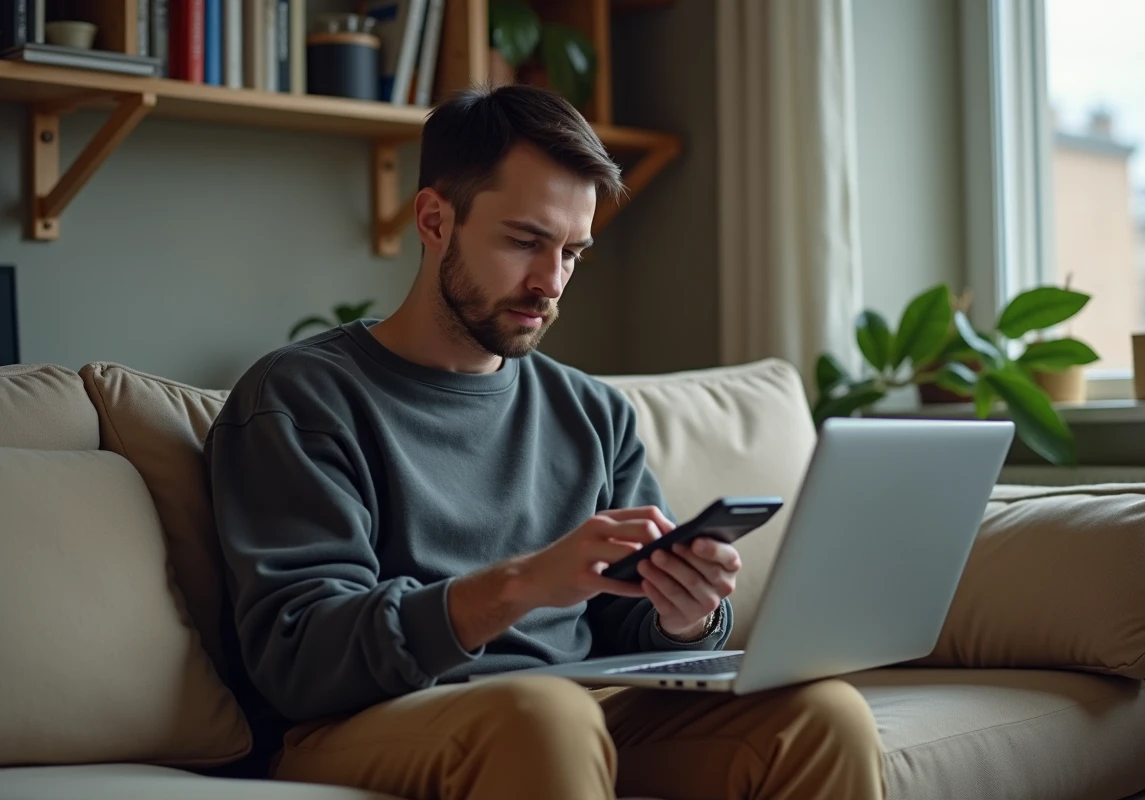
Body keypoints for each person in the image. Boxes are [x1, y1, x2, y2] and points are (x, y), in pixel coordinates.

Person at [205, 83, 885, 800]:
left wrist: (684, 617)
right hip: (366, 719)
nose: (549, 283)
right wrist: (520, 584)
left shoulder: (593, 412)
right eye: (526, 242)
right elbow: (299, 654)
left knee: (822, 715)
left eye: (571, 253)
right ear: (435, 219)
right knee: (546, 715)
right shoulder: (301, 398)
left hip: (574, 703)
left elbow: (625, 621)